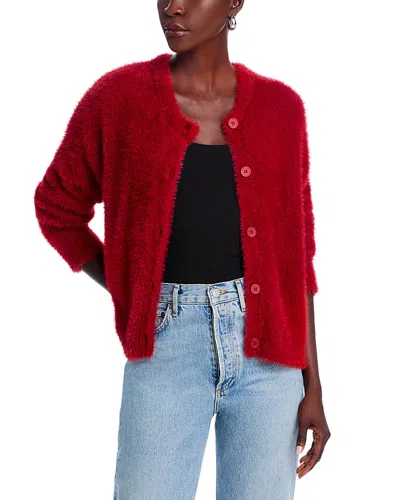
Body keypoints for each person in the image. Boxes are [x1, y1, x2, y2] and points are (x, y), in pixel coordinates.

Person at [34, 1, 331, 498]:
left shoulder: (282, 108)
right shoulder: (118, 98)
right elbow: (56, 207)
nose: (173, 6)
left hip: (270, 363)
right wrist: (133, 289)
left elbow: (299, 258)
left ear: (234, 2)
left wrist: (312, 385)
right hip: (166, 345)